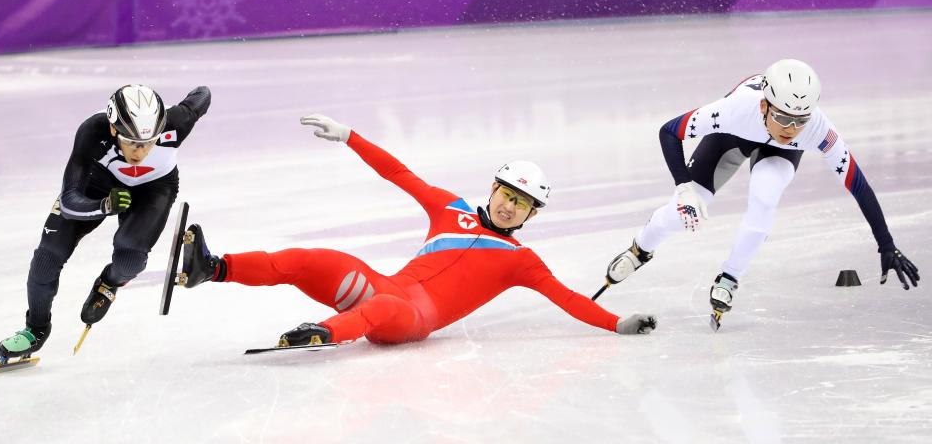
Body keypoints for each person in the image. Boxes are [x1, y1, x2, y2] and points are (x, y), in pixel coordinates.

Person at [180, 114, 656, 346]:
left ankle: (322, 333)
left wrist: (618, 323)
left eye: (524, 205)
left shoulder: (521, 262)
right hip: (383, 288)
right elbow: (400, 174)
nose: (511, 207)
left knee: (384, 305)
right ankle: (214, 268)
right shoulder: (450, 208)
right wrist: (350, 137)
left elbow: (569, 299)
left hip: (410, 321)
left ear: (533, 216)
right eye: (508, 195)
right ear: (493, 188)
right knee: (316, 259)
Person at [603, 58, 919, 328]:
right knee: (679, 214)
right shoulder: (733, 110)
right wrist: (684, 189)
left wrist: (886, 245)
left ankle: (729, 277)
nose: (790, 129)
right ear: (765, 104)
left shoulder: (819, 130)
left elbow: (859, 186)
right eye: (782, 117)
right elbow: (669, 132)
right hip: (732, 136)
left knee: (766, 195)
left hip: (775, 155)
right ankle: (640, 249)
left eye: (800, 120)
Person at [0, 84, 211, 359]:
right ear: (113, 129)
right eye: (132, 142)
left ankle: (108, 284)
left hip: (154, 187)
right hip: (99, 184)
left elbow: (202, 94)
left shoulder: (176, 122)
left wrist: (166, 108)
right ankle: (35, 329)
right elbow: (70, 198)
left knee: (131, 260)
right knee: (47, 258)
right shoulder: (93, 131)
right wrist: (104, 205)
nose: (141, 151)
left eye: (149, 141)